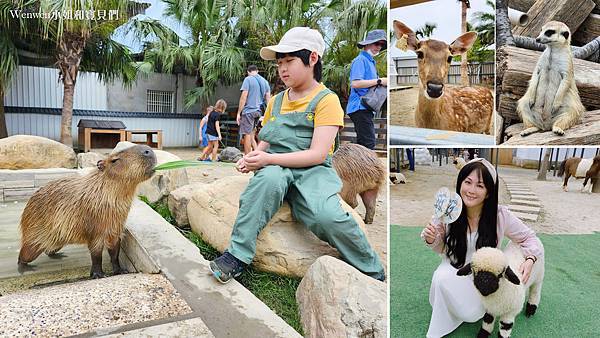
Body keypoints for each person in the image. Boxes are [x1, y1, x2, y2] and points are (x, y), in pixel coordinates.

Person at [209, 26, 385, 284]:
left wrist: (268, 159)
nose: (283, 68)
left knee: (327, 216)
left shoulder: (327, 100)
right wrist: (253, 157)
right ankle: (237, 255)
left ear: (312, 59)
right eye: (280, 62)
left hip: (312, 171)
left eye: (290, 61)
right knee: (266, 184)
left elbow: (317, 154)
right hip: (275, 168)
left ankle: (371, 268)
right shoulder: (276, 101)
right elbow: (267, 139)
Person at [422, 158, 544, 338]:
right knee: (441, 279)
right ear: (460, 183)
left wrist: (530, 258)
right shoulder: (448, 209)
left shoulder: (500, 215)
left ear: (488, 192)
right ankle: (445, 315)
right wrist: (433, 238)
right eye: (467, 182)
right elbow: (441, 248)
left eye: (480, 185)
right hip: (453, 267)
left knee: (472, 315)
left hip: (484, 277)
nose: (471, 190)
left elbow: (529, 237)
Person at [346, 29, 388, 150]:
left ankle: (356, 168)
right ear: (367, 44)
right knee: (368, 144)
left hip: (365, 107)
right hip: (360, 107)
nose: (379, 47)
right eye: (376, 43)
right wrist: (379, 81)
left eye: (381, 45)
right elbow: (355, 83)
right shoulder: (361, 60)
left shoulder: (370, 62)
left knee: (363, 143)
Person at [237, 65, 271, 155]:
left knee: (247, 135)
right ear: (257, 71)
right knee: (252, 134)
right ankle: (256, 154)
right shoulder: (265, 81)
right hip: (258, 112)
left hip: (249, 111)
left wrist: (239, 112)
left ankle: (247, 157)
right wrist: (269, 112)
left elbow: (244, 96)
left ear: (248, 72)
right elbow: (268, 99)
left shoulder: (248, 79)